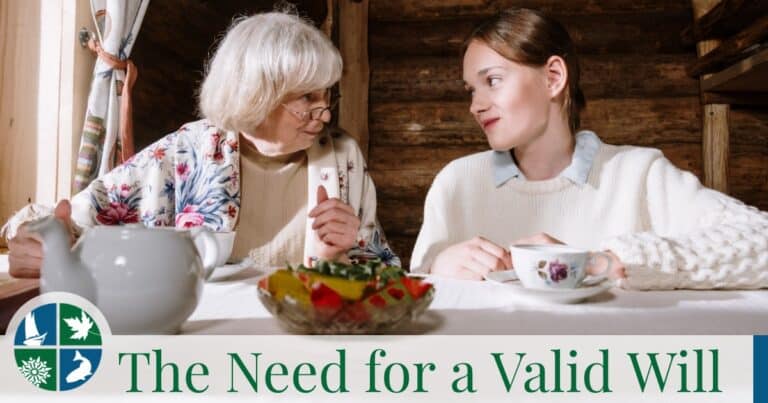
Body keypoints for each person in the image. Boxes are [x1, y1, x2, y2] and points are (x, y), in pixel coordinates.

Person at [3, 10, 399, 278]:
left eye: (327, 96)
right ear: (255, 96)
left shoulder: (342, 155)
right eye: (307, 100)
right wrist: (31, 238)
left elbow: (385, 273)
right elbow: (72, 219)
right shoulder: (188, 151)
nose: (325, 113)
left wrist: (343, 256)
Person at [410, 8, 768, 289]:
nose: (476, 105)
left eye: (492, 81)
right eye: (471, 89)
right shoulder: (456, 182)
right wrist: (435, 269)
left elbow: (761, 241)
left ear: (553, 78)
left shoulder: (639, 173)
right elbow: (418, 301)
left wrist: (601, 263)